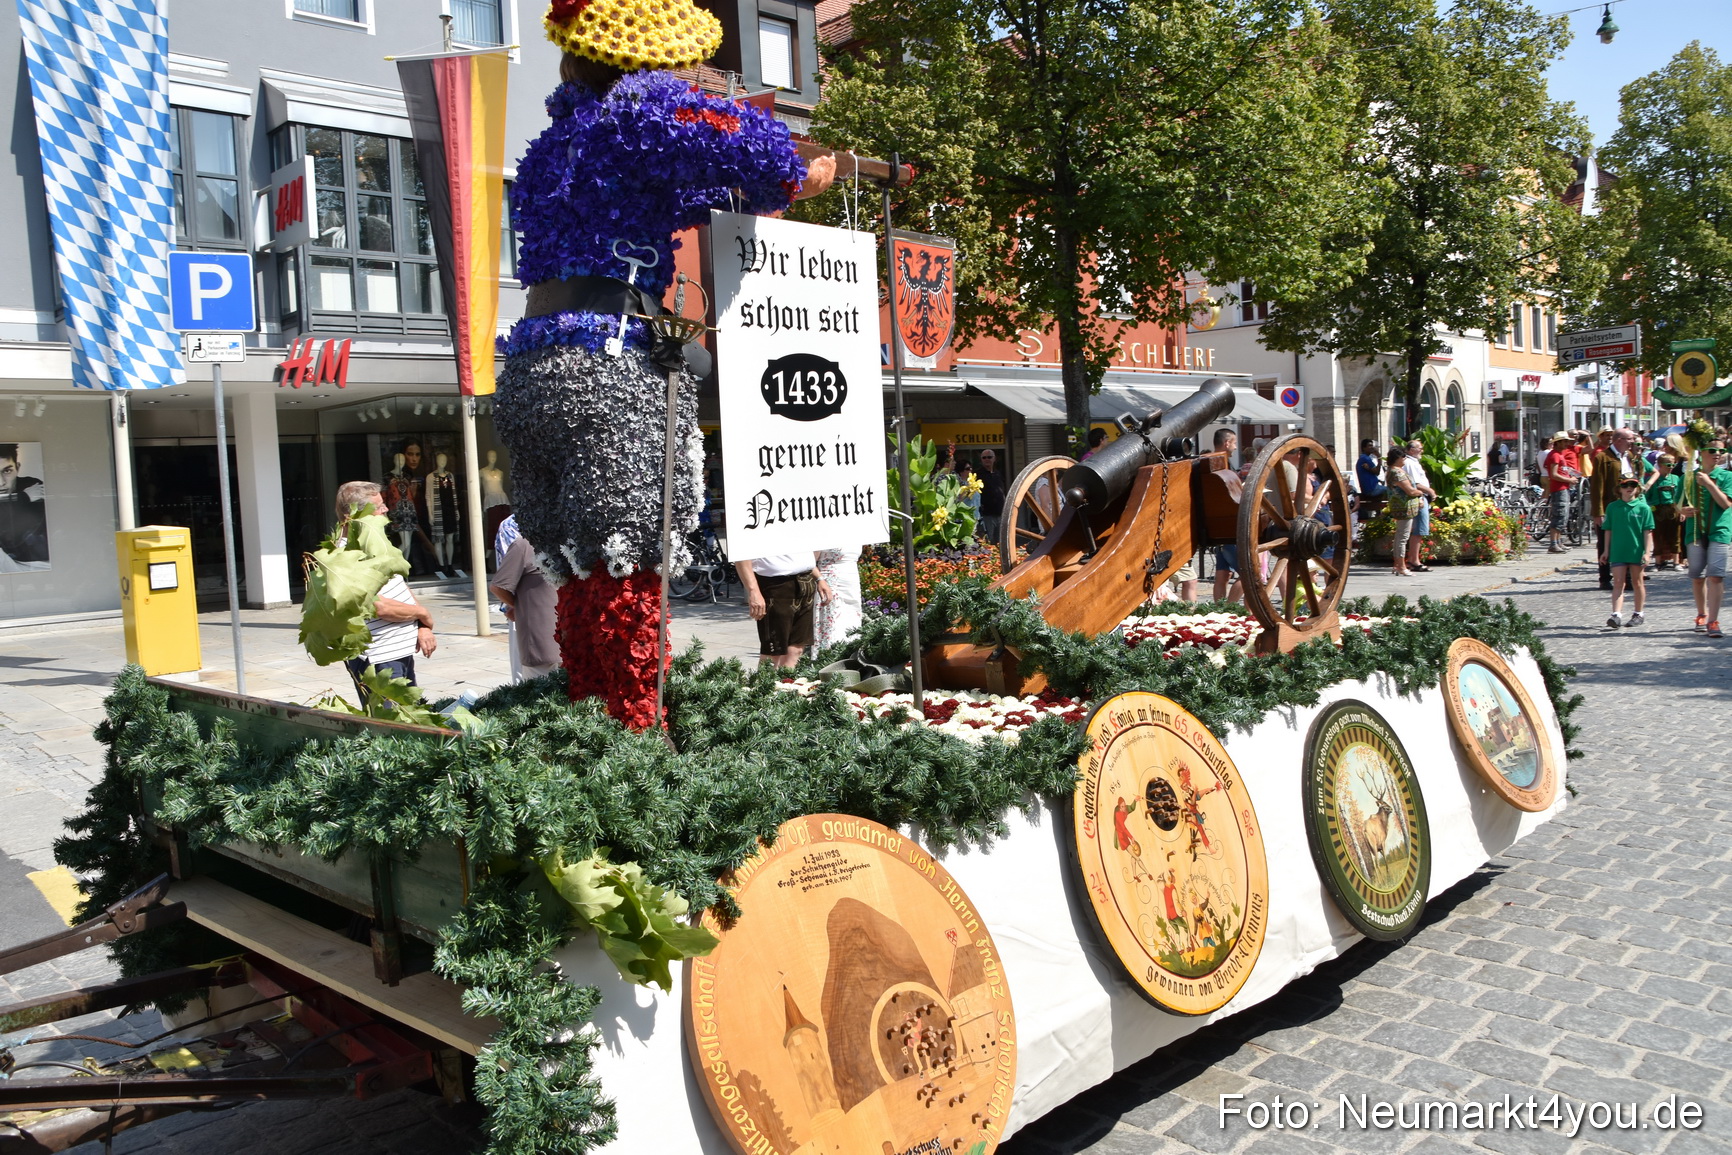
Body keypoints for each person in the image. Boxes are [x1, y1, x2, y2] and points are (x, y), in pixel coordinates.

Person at [332, 481, 436, 702]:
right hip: (380, 660)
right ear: (356, 515)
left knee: (412, 718)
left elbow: (399, 585)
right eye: (379, 507)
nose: (386, 509)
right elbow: (378, 606)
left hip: (398, 652)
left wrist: (422, 627)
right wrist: (422, 613)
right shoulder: (345, 556)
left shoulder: (373, 543)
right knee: (393, 725)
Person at [734, 552, 833, 668]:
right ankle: (764, 685)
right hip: (775, 583)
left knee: (796, 649)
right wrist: (753, 590)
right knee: (773, 652)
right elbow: (742, 554)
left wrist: (819, 578)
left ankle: (786, 684)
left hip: (805, 579)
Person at [1679, 440, 1732, 638]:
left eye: (1721, 450)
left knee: (1716, 576)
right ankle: (1702, 614)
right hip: (1694, 532)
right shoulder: (1689, 477)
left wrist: (1709, 484)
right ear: (1701, 453)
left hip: (1720, 530)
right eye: (1712, 450)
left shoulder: (1727, 476)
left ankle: (1713, 621)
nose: (1717, 453)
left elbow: (1725, 504)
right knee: (1697, 576)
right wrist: (1681, 509)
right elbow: (1678, 504)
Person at [490, 535, 559, 680]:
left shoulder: (573, 540)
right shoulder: (524, 544)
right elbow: (498, 587)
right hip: (542, 644)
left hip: (573, 641)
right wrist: (520, 605)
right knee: (542, 696)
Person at [1591, 428, 1644, 591]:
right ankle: (1604, 577)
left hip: (1628, 506)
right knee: (1605, 542)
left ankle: (1627, 578)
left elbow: (1637, 476)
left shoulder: (1629, 456)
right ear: (1618, 440)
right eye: (1629, 439)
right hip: (1610, 507)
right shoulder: (1603, 458)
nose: (1632, 442)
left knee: (1628, 540)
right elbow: (1597, 486)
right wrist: (1598, 511)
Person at [1600, 477, 1653, 628]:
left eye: (1633, 485)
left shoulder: (1644, 508)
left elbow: (1647, 531)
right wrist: (1606, 550)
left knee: (1637, 582)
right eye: (1625, 485)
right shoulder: (1612, 507)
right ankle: (1616, 614)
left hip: (1636, 550)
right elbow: (1608, 530)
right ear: (1619, 488)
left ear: (1637, 488)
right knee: (1618, 582)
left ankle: (1638, 613)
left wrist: (1647, 552)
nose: (1629, 488)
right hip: (1618, 550)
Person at [0, 443, 49, 565]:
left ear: (17, 468)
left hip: (41, 561)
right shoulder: (28, 492)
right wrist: (25, 497)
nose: (1, 482)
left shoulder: (32, 485)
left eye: (7, 471)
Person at [813, 547, 863, 651]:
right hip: (830, 580)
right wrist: (819, 579)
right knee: (832, 626)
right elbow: (809, 562)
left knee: (852, 625)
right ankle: (828, 659)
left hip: (851, 582)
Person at [1541, 432, 1580, 554]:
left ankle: (1558, 542)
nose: (1566, 443)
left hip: (1563, 488)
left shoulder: (1559, 455)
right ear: (1557, 443)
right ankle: (1553, 543)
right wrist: (1569, 479)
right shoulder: (1555, 455)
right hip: (1559, 489)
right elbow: (1553, 474)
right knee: (1559, 515)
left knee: (1563, 516)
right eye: (1564, 441)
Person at [1384, 447, 1420, 577]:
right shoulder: (1397, 473)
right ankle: (1401, 566)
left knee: (1401, 536)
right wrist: (1421, 493)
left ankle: (1398, 564)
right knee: (1402, 537)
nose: (1404, 459)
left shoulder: (1393, 471)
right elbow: (1410, 490)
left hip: (1402, 507)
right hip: (1404, 508)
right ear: (1397, 458)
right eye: (1403, 457)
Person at [1402, 439, 1436, 572]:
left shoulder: (1413, 461)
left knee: (1419, 529)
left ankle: (1414, 559)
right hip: (1419, 497)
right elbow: (1415, 483)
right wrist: (1430, 491)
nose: (1421, 450)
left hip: (1421, 496)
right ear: (1411, 450)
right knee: (1419, 529)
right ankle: (1414, 561)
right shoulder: (1410, 462)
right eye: (1419, 448)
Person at [1645, 454, 1683, 570]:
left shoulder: (1676, 478)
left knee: (1675, 536)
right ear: (1660, 465)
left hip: (1673, 509)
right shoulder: (1653, 480)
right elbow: (1647, 498)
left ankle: (1676, 562)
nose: (1671, 467)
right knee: (1658, 537)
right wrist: (1652, 509)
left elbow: (1681, 496)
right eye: (1668, 465)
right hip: (1658, 510)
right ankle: (1658, 562)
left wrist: (1681, 511)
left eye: (1673, 464)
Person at [977, 448, 1006, 546]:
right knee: (989, 542)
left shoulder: (998, 473)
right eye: (984, 458)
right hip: (987, 515)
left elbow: (1002, 491)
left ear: (994, 459)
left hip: (1000, 513)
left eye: (989, 457)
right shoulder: (978, 475)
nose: (987, 459)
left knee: (1000, 542)